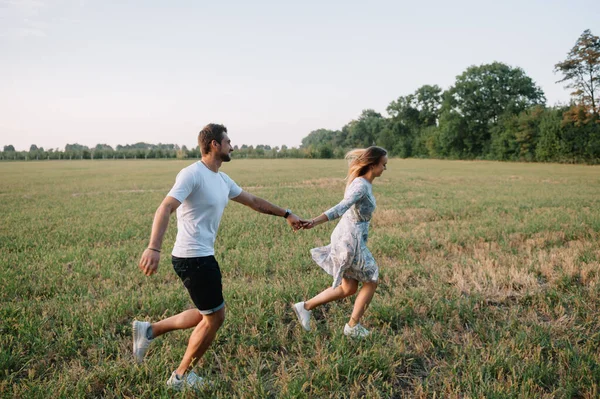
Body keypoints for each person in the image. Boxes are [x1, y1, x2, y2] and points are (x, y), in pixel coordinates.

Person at [133, 123, 305, 391]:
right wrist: (153, 247)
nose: (232, 146)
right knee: (215, 317)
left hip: (201, 256)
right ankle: (179, 378)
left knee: (207, 312)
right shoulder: (192, 174)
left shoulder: (222, 180)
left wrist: (286, 213)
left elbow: (253, 201)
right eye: (228, 142)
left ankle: (149, 331)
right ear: (214, 144)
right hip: (193, 258)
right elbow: (165, 207)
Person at [293, 146, 388, 338]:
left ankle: (305, 307)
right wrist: (314, 221)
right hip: (349, 239)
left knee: (348, 287)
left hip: (351, 236)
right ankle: (352, 327)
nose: (385, 168)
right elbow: (341, 207)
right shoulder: (361, 185)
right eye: (383, 164)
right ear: (373, 164)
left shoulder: (364, 183)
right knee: (372, 279)